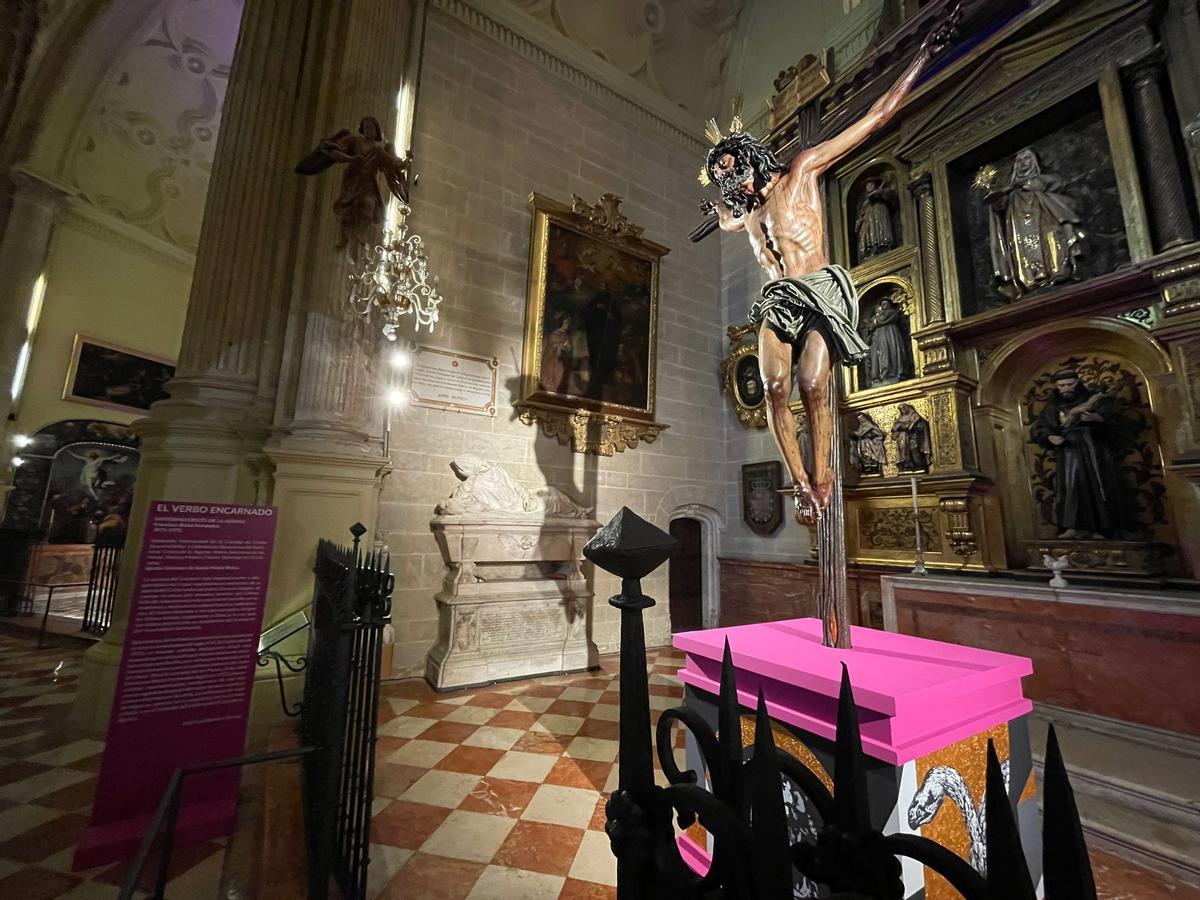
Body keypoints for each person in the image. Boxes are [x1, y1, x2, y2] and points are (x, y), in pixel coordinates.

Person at [698, 7, 959, 524]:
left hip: (820, 287)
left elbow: (875, 119)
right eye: (724, 178)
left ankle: (824, 477)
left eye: (733, 170)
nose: (732, 184)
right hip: (779, 297)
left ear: (750, 159)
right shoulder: (746, 216)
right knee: (776, 388)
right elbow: (730, 221)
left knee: (816, 384)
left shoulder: (801, 171)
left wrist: (922, 59)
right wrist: (720, 212)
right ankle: (801, 483)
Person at [1030, 370, 1121, 539]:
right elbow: (1040, 427)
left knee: (1096, 485)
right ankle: (1070, 526)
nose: (1066, 389)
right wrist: (1050, 436)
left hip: (1094, 448)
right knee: (1070, 487)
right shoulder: (1053, 405)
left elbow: (1117, 423)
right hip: (1068, 450)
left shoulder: (1094, 399)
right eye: (1061, 386)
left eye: (1069, 384)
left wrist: (1097, 419)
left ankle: (1099, 528)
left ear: (1077, 383)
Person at [986, 147, 1084, 299]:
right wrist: (994, 195)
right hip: (1019, 228)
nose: (1023, 162)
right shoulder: (1011, 192)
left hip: (1046, 220)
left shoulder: (1044, 180)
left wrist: (1037, 184)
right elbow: (999, 208)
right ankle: (1032, 280)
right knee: (1024, 251)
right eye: (1019, 160)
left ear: (1034, 162)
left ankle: (1058, 271)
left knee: (1053, 241)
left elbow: (1058, 185)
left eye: (1026, 159)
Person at [860, 296, 911, 387]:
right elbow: (870, 325)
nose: (883, 306)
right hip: (878, 337)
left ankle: (891, 374)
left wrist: (874, 322)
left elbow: (880, 320)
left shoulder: (891, 313)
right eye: (882, 304)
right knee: (879, 356)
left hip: (889, 335)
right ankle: (879, 376)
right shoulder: (879, 315)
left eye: (885, 304)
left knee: (889, 353)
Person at [540, 312, 573, 393]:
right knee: (557, 372)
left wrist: (568, 347)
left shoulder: (567, 335)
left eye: (568, 323)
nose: (567, 325)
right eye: (565, 323)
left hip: (564, 358)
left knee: (562, 373)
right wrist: (561, 345)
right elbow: (552, 343)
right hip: (553, 359)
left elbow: (570, 347)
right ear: (561, 322)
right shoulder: (556, 333)